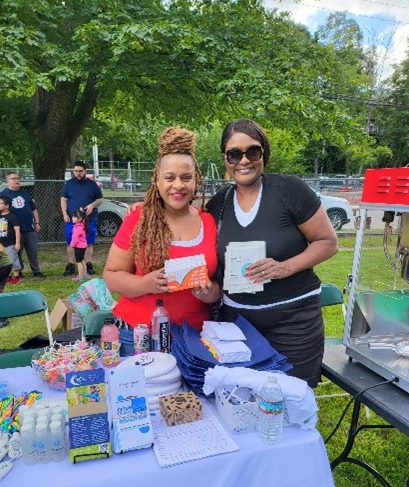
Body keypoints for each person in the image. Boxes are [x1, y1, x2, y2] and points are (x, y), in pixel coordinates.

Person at [206, 118, 338, 387]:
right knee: (243, 400)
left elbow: (327, 242)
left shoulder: (289, 190)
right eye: (234, 154)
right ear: (225, 159)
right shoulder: (218, 204)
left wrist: (284, 267)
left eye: (252, 151)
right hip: (239, 325)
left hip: (293, 324)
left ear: (263, 153)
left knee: (291, 399)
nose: (244, 161)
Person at [103, 126, 220, 356]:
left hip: (195, 339)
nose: (178, 185)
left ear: (196, 181)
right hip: (138, 336)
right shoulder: (139, 219)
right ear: (156, 180)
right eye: (169, 177)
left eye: (186, 177)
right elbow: (111, 276)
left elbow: (218, 285)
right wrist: (147, 283)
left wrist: (210, 294)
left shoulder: (208, 221)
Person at [0, 172, 45, 278]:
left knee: (33, 251)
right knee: (16, 252)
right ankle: (19, 272)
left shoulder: (25, 193)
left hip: (29, 228)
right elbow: (0, 211)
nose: (16, 180)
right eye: (13, 178)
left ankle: (36, 271)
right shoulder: (3, 194)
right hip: (14, 230)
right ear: (7, 181)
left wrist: (37, 222)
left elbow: (34, 209)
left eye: (18, 178)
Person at [61, 161, 103, 277]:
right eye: (76, 171)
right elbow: (63, 199)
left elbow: (100, 200)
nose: (78, 173)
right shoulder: (69, 184)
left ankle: (88, 264)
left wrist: (92, 205)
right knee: (71, 242)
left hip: (89, 219)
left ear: (85, 171)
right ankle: (71, 265)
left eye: (80, 171)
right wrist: (65, 213)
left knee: (88, 242)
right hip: (72, 220)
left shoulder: (92, 185)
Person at [0, 195, 22, 285]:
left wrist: (17, 243)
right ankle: (7, 276)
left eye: (1, 203)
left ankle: (16, 276)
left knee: (13, 259)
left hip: (10, 243)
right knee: (3, 260)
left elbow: (17, 230)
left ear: (7, 206)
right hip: (0, 243)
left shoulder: (12, 217)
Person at [70, 209, 90, 282]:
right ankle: (84, 274)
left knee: (79, 262)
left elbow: (75, 239)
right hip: (83, 246)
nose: (72, 218)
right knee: (82, 260)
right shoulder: (82, 226)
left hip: (79, 247)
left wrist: (72, 245)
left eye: (74, 217)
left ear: (80, 219)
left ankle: (80, 277)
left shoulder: (77, 228)